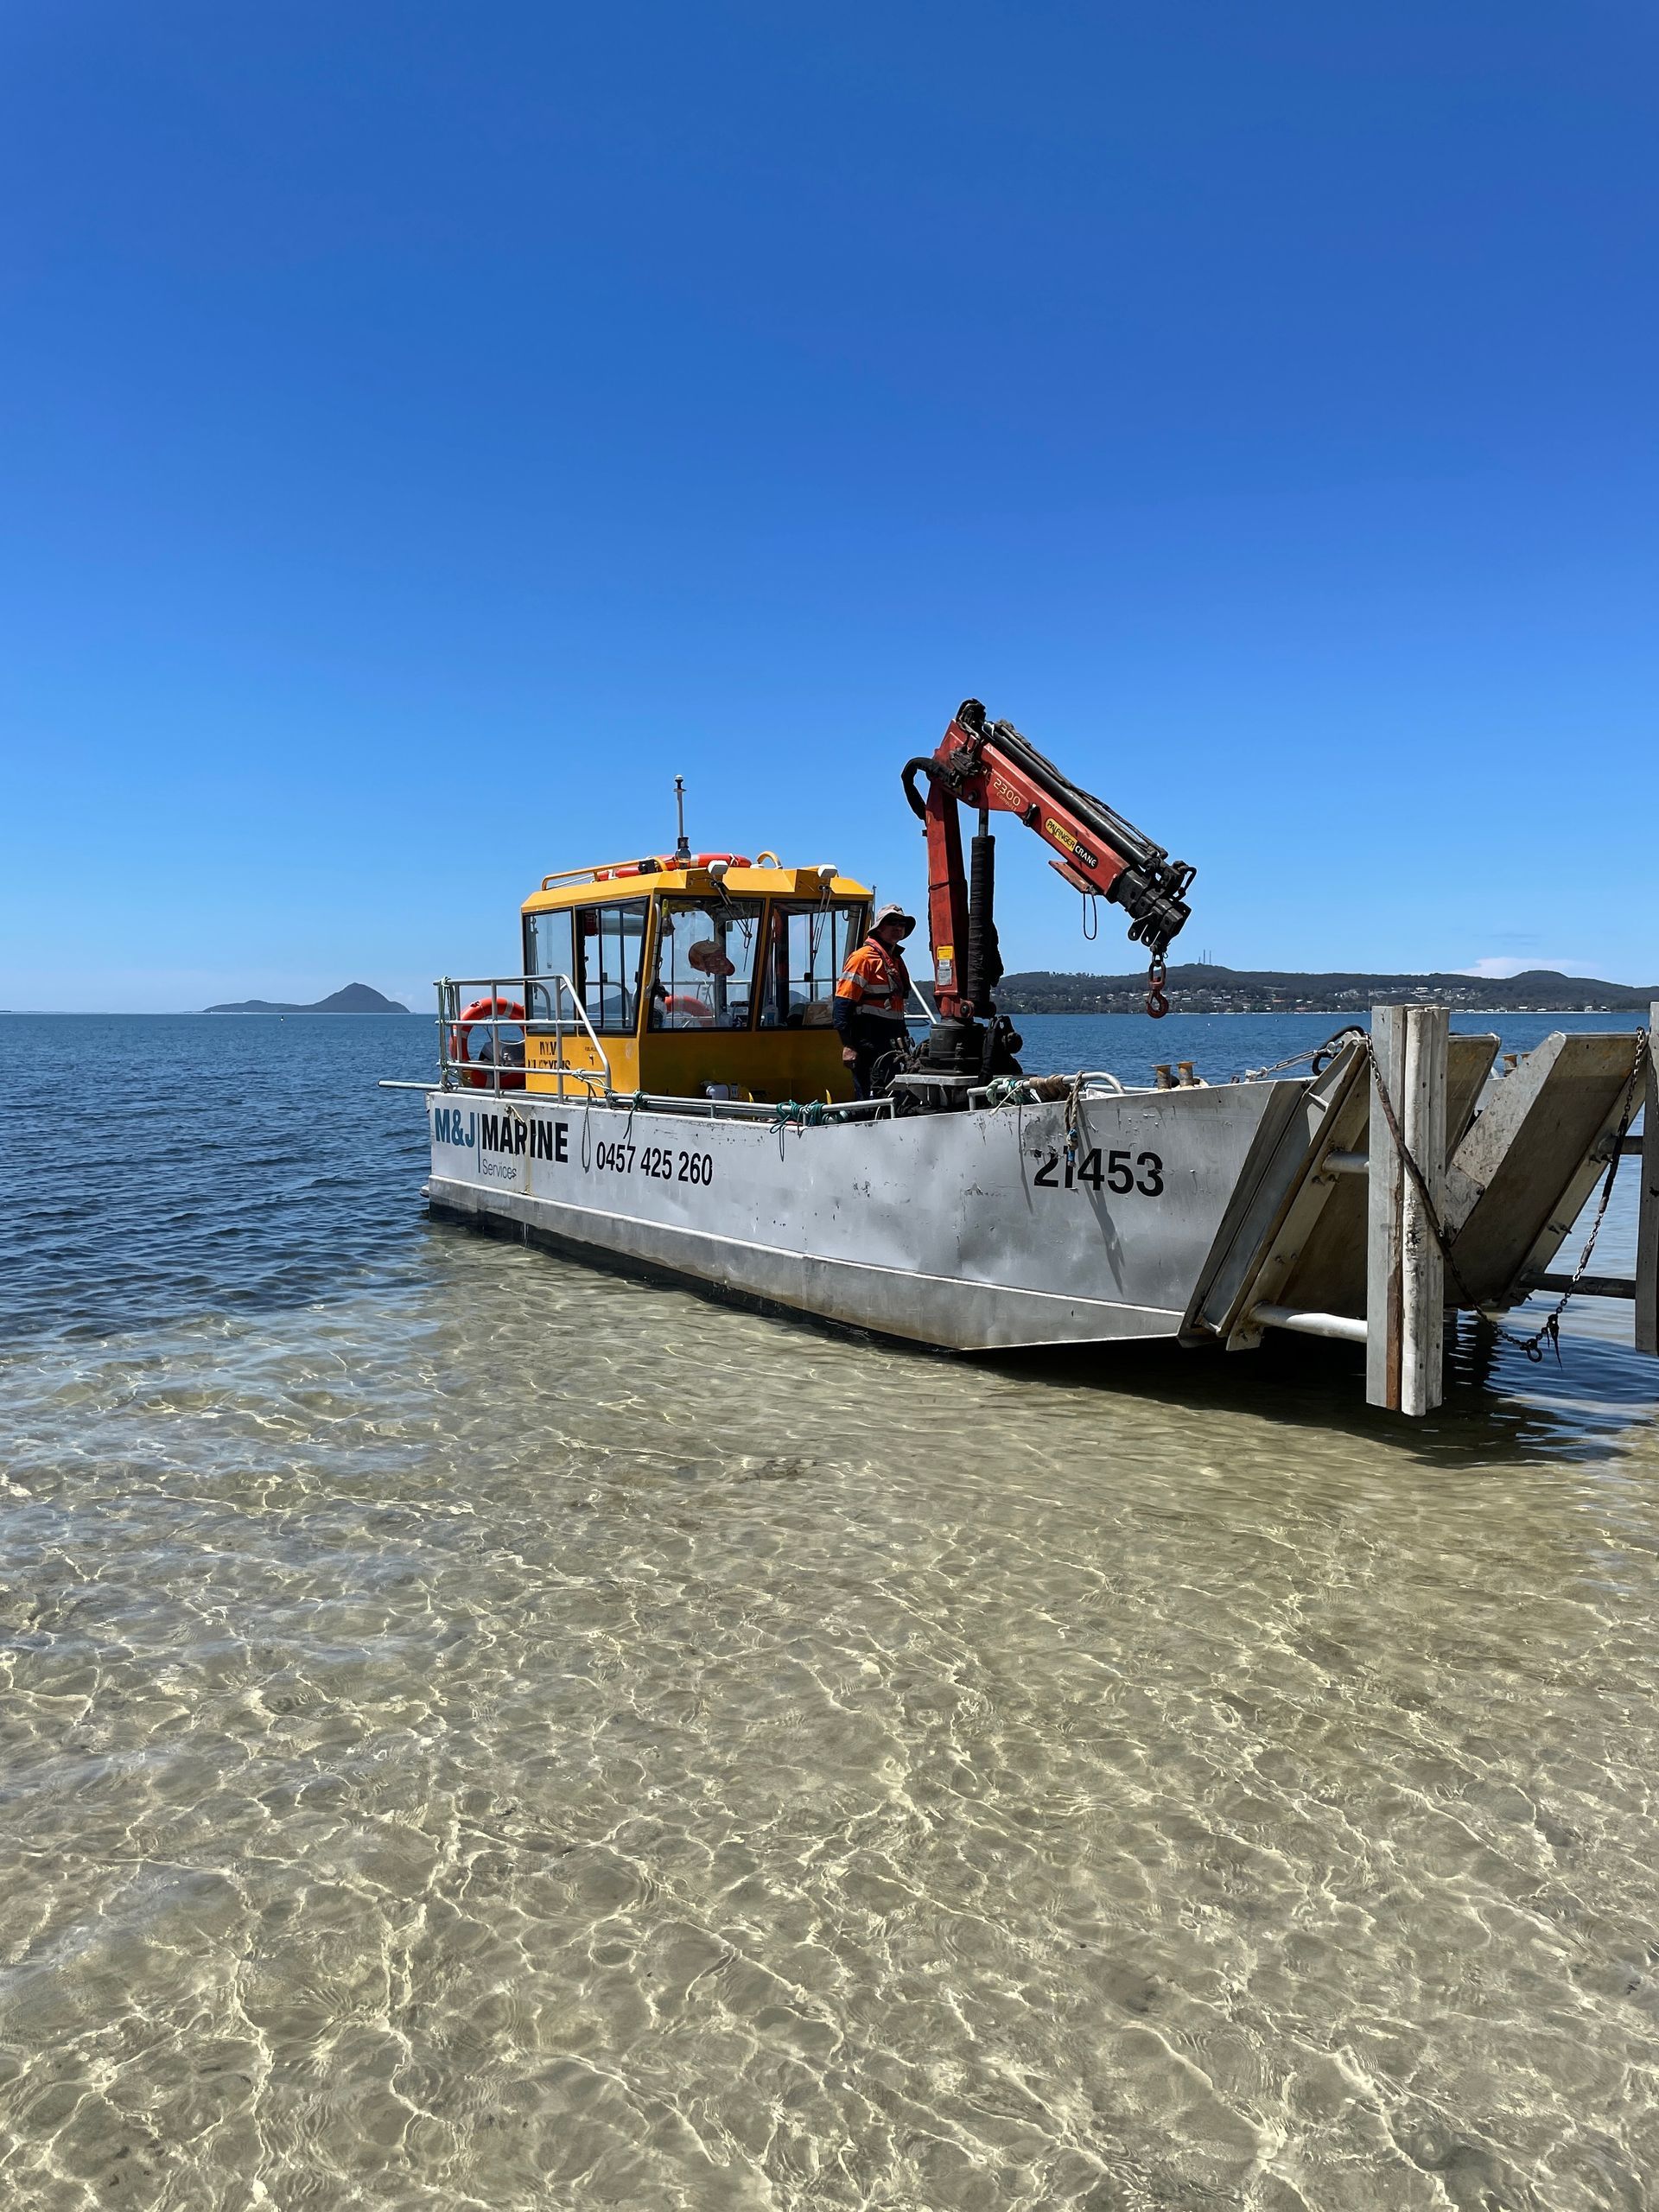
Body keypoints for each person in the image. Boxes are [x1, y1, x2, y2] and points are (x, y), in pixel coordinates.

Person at [832, 902, 915, 1097]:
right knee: (871, 1095)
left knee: (893, 1095)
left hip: (891, 1045)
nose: (898, 928)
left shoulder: (894, 959)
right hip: (869, 1044)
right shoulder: (862, 958)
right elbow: (842, 1006)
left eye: (902, 924)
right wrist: (848, 1046)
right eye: (892, 922)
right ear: (879, 927)